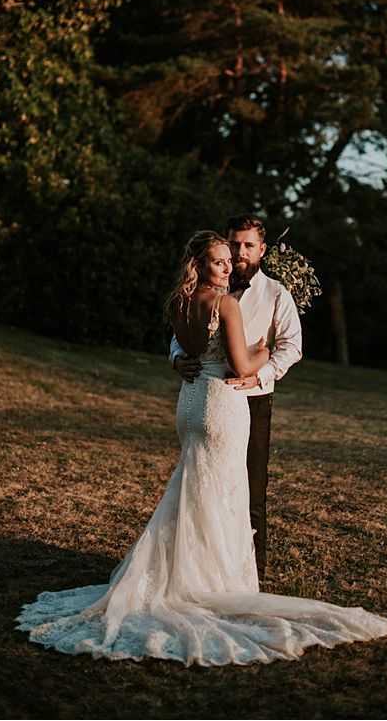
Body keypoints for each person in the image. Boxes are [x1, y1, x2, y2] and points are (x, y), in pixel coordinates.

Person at [16, 231, 387, 666]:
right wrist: (261, 349)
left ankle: (181, 574)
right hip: (221, 405)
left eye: (229, 260)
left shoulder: (179, 302)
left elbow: (185, 349)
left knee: (193, 487)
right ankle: (213, 583)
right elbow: (241, 364)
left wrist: (194, 359)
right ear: (201, 264)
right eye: (219, 261)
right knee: (224, 493)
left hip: (190, 402)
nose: (228, 266)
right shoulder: (225, 304)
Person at [169, 215, 301, 581]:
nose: (239, 254)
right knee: (206, 487)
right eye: (234, 245)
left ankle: (251, 574)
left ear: (262, 249)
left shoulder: (277, 294)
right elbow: (178, 340)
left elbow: (292, 347)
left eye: (247, 246)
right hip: (215, 398)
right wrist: (176, 358)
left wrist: (261, 373)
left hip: (253, 398)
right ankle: (206, 574)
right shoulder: (217, 294)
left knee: (250, 492)